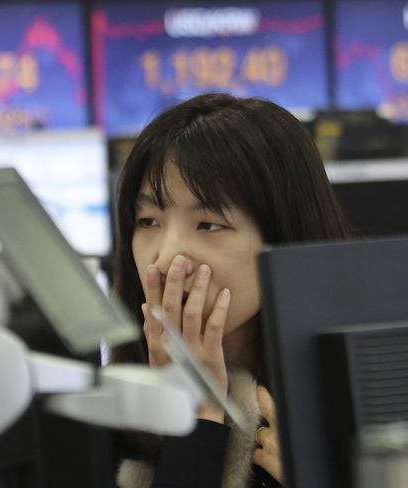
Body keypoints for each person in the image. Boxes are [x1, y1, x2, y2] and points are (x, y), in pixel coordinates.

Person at [110, 93, 352, 488]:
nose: (168, 257)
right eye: (148, 221)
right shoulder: (105, 413)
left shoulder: (355, 412)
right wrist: (197, 411)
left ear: (284, 238)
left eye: (208, 225)